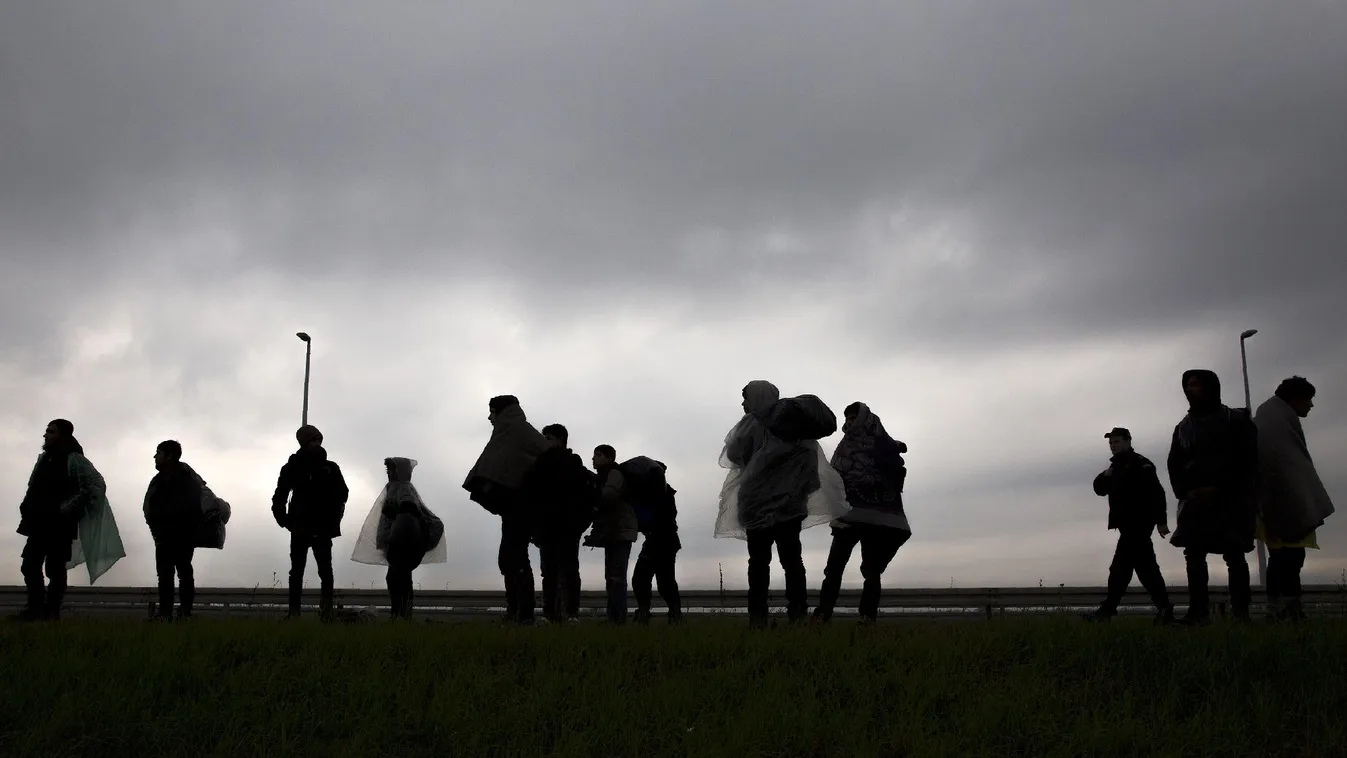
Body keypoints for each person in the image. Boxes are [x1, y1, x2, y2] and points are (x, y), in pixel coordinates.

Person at [715, 380, 849, 628]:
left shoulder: (752, 425)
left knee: (758, 563)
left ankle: (758, 620)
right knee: (792, 562)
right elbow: (810, 470)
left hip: (756, 507)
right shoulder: (800, 429)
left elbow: (733, 455)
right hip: (790, 508)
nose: (743, 404)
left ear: (757, 397)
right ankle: (797, 615)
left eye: (746, 398)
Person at [1166, 369, 1259, 625]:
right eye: (1187, 385)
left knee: (1235, 554)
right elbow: (1174, 463)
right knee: (1194, 555)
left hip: (1230, 500)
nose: (1189, 389)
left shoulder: (1235, 420)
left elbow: (1248, 461)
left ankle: (1241, 613)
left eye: (1195, 384)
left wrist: (1220, 488)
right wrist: (1187, 492)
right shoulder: (1183, 427)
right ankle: (1198, 612)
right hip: (1195, 502)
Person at [813, 402, 912, 625]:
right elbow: (836, 476)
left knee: (870, 570)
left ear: (864, 419)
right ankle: (823, 615)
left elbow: (895, 473)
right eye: (847, 418)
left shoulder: (882, 444)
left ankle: (867, 618)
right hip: (848, 519)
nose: (849, 422)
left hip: (872, 521)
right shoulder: (847, 444)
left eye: (853, 417)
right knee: (834, 568)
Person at [15, 419, 124, 621]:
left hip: (59, 525)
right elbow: (34, 487)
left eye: (51, 431)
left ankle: (51, 611)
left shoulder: (75, 460)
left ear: (62, 435)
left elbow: (93, 486)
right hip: (39, 522)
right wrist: (26, 506)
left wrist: (65, 509)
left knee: (54, 569)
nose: (45, 435)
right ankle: (35, 610)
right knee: (29, 565)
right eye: (46, 431)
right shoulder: (44, 460)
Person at [463, 395, 550, 625]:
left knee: (516, 557)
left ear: (502, 412)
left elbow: (548, 456)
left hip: (520, 506)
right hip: (512, 507)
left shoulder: (517, 429)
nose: (490, 417)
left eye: (493, 411)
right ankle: (516, 611)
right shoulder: (508, 431)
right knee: (509, 558)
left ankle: (523, 614)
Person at [1255, 376, 1334, 621]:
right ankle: (1287, 609)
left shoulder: (1271, 416)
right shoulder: (1276, 420)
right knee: (1289, 559)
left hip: (1273, 503)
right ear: (1294, 399)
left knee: (1282, 559)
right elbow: (1284, 464)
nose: (1310, 405)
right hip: (1284, 502)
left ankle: (1279, 608)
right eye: (1308, 399)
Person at [1082, 428, 1175, 624]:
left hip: (1139, 524)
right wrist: (1106, 475)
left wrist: (1161, 521)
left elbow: (1156, 493)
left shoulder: (1141, 464)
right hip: (1127, 525)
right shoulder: (1115, 467)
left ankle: (1107, 610)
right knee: (1144, 568)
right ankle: (1164, 608)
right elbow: (1099, 489)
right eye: (1111, 443)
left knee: (1121, 569)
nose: (1113, 445)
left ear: (1127, 441)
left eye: (1116, 442)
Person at [351, 457, 446, 619]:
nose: (388, 473)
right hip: (399, 542)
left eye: (391, 469)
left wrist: (392, 511)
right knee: (400, 579)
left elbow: (408, 507)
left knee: (396, 579)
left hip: (401, 543)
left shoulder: (402, 488)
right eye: (388, 470)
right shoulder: (399, 487)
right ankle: (401, 614)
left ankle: (400, 614)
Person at [272, 425, 349, 620]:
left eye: (317, 440)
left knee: (321, 571)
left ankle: (321, 614)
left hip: (315, 527)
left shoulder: (327, 468)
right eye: (313, 440)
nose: (316, 444)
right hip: (305, 526)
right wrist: (285, 520)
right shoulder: (299, 467)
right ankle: (302, 614)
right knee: (301, 571)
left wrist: (285, 520)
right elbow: (279, 496)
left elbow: (343, 494)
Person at [522, 424, 595, 623]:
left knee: (569, 571)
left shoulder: (573, 464)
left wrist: (578, 525)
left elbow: (587, 498)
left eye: (549, 438)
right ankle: (550, 613)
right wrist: (534, 528)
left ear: (561, 439)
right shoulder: (537, 465)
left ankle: (571, 613)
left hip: (567, 528)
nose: (545, 441)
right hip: (546, 529)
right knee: (550, 573)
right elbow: (531, 498)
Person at [142, 440, 204, 621]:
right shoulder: (187, 477)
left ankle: (167, 614)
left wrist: (158, 528)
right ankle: (183, 613)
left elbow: (150, 508)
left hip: (170, 535)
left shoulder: (168, 479)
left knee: (168, 575)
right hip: (180, 535)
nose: (155, 456)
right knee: (182, 573)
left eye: (158, 452)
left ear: (169, 456)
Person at [627, 458, 683, 624]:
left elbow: (661, 519)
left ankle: (671, 613)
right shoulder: (658, 493)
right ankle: (667, 613)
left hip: (663, 542)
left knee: (660, 581)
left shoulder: (663, 495)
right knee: (647, 580)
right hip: (659, 541)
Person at [587, 444, 638, 624]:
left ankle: (618, 619)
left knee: (616, 577)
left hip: (620, 530)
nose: (594, 458)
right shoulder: (605, 476)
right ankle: (614, 617)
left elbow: (608, 496)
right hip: (615, 530)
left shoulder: (614, 474)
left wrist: (591, 499)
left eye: (598, 455)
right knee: (613, 576)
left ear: (609, 458)